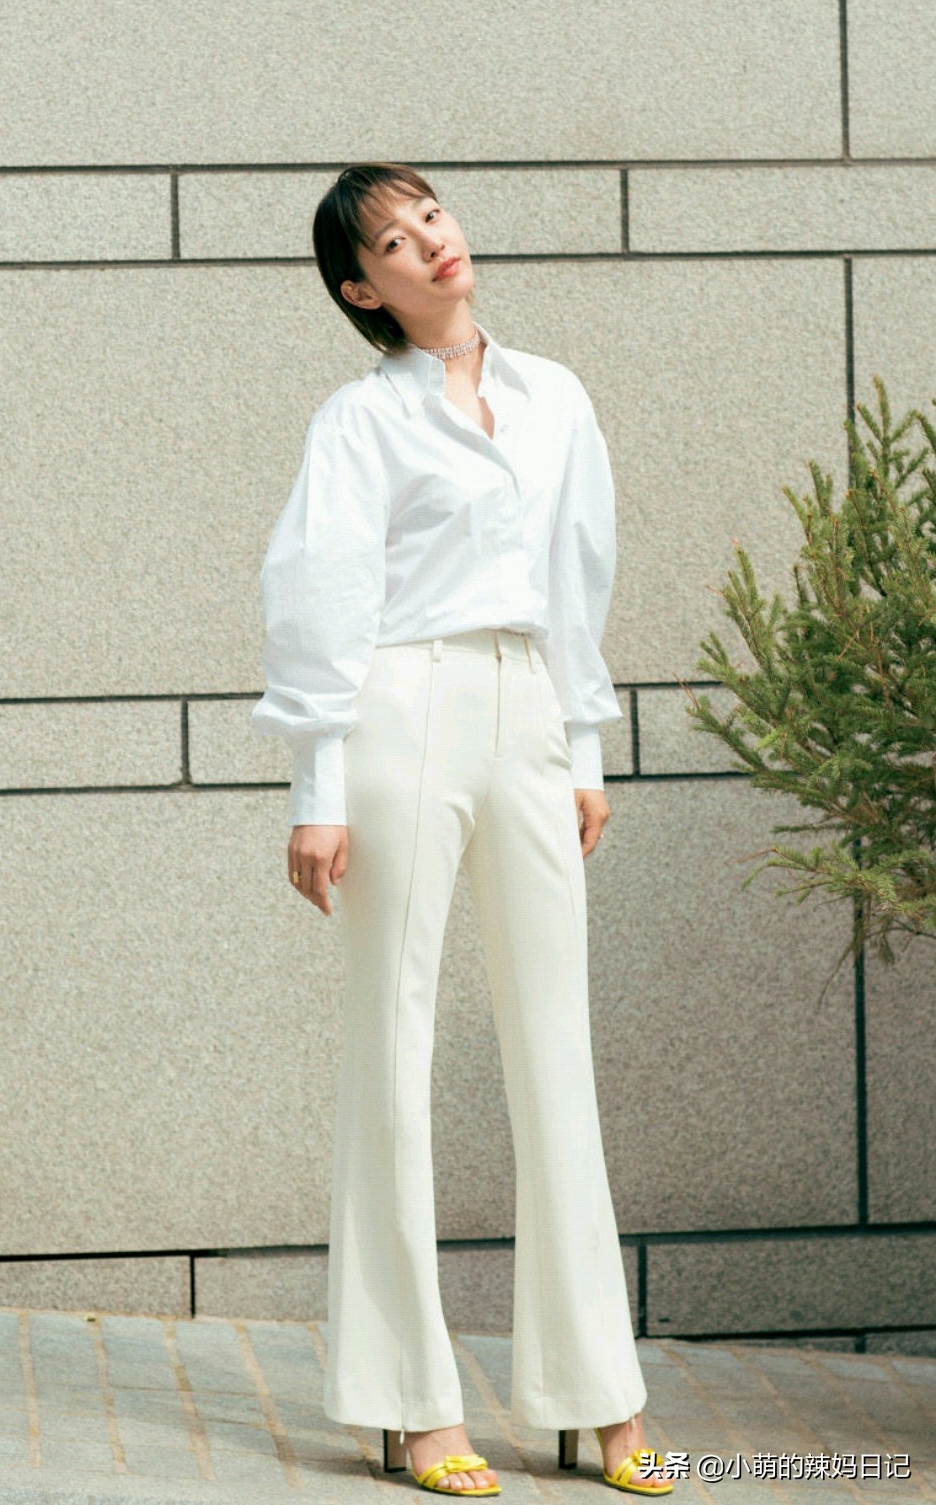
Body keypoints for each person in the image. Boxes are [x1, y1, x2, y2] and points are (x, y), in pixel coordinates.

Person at [251, 162, 674, 1499]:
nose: (429, 240)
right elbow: (320, 592)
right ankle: (405, 1402)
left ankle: (596, 1397)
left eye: (429, 213)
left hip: (527, 703)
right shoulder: (358, 419)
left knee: (555, 1041)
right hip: (401, 707)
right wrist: (317, 787)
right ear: (359, 287)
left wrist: (583, 748)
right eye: (392, 238)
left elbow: (577, 578)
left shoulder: (554, 397)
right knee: (393, 1037)